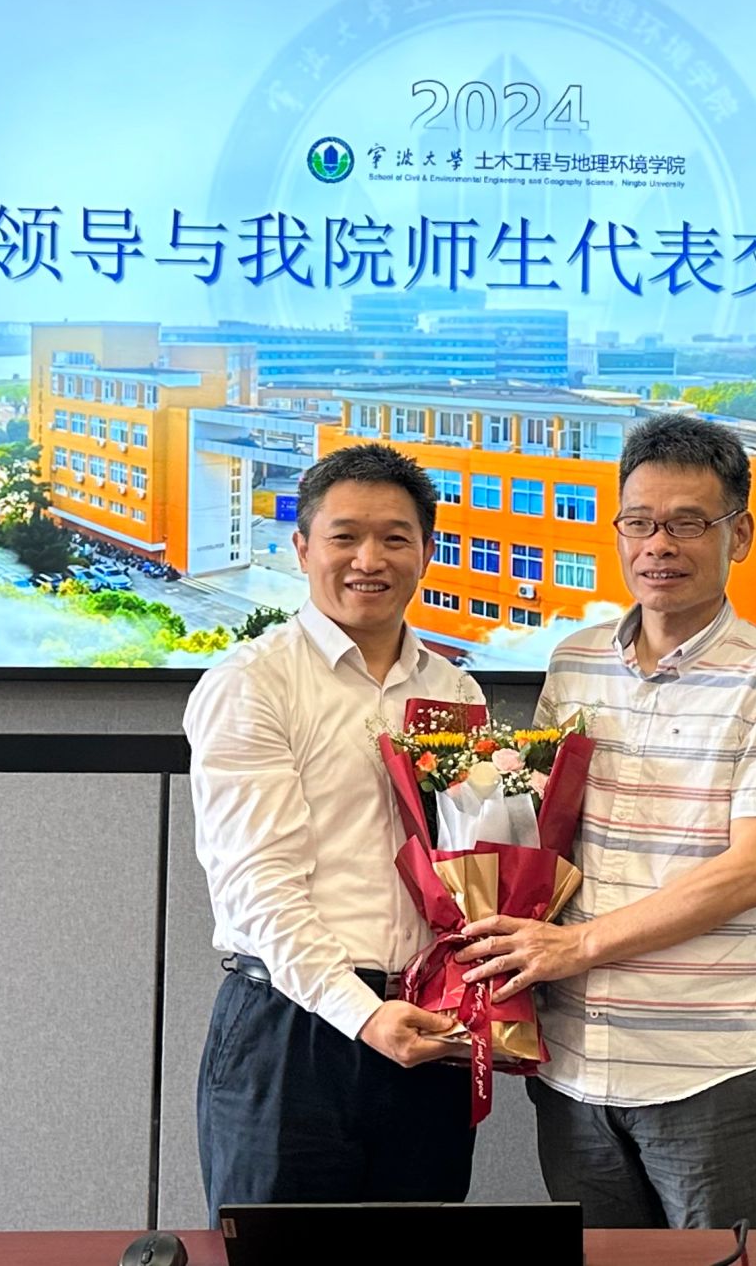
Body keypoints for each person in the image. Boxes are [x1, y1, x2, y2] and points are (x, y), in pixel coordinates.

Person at [456, 413, 756, 1230]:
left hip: (705, 1073)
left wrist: (577, 946)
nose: (659, 545)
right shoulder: (576, 661)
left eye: (688, 523)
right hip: (573, 1072)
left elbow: (751, 872)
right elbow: (546, 837)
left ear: (739, 535)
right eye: (640, 522)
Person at [186, 443, 479, 1220]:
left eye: (395, 538)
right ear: (302, 547)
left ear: (426, 551)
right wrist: (362, 1013)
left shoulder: (455, 690)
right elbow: (257, 886)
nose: (368, 560)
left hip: (424, 1026)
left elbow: (470, 866)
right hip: (292, 1034)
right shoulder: (253, 683)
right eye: (345, 536)